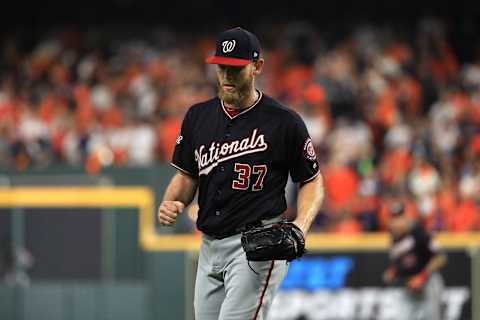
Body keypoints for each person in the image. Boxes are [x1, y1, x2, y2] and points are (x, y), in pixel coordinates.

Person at [157, 27, 325, 320]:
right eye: (222, 67)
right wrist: (173, 201)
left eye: (236, 67)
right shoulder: (198, 116)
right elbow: (186, 176)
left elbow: (311, 181)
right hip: (210, 245)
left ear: (257, 67)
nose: (227, 75)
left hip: (256, 245)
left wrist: (301, 225)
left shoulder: (284, 122)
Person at [383, 201, 447, 320]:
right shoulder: (393, 238)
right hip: (409, 286)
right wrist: (393, 271)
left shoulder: (419, 233)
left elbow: (441, 257)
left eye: (400, 218)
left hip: (429, 283)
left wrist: (423, 276)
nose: (397, 222)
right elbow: (402, 262)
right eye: (394, 219)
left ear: (406, 218)